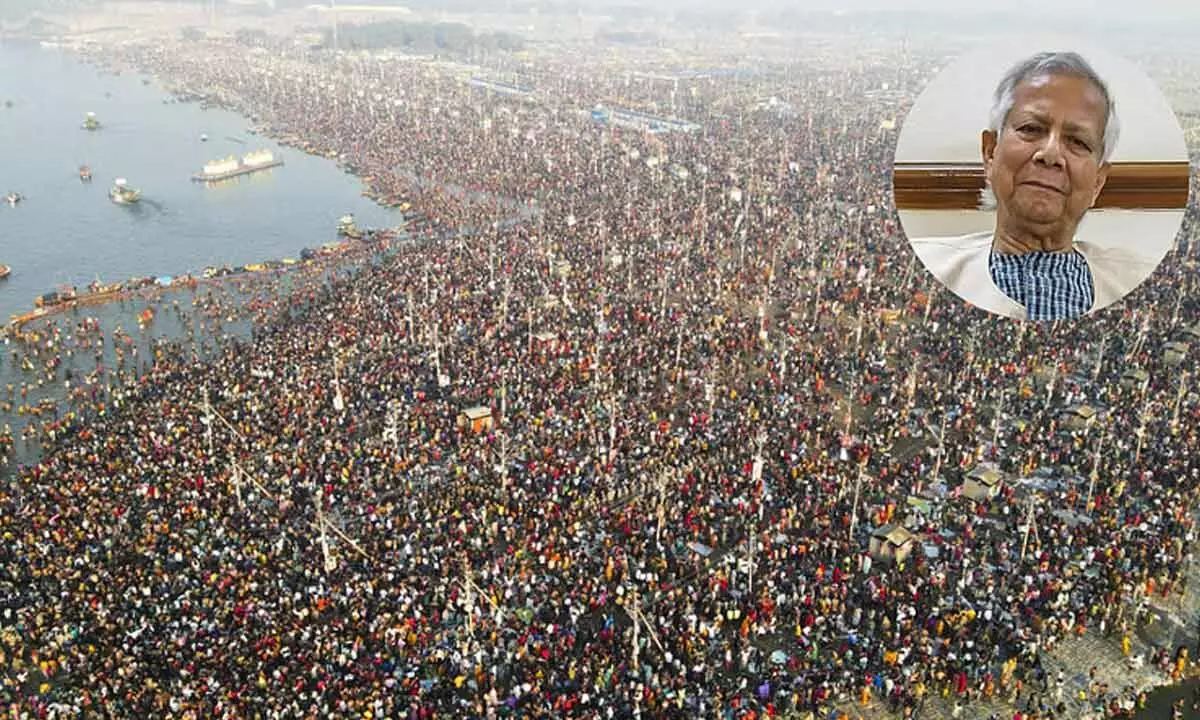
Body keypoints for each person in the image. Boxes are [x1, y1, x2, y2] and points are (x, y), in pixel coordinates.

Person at [909, 51, 1154, 321]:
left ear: (1098, 181)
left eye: (1078, 142)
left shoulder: (1136, 280)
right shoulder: (927, 263)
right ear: (990, 153)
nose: (1050, 154)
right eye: (1031, 129)